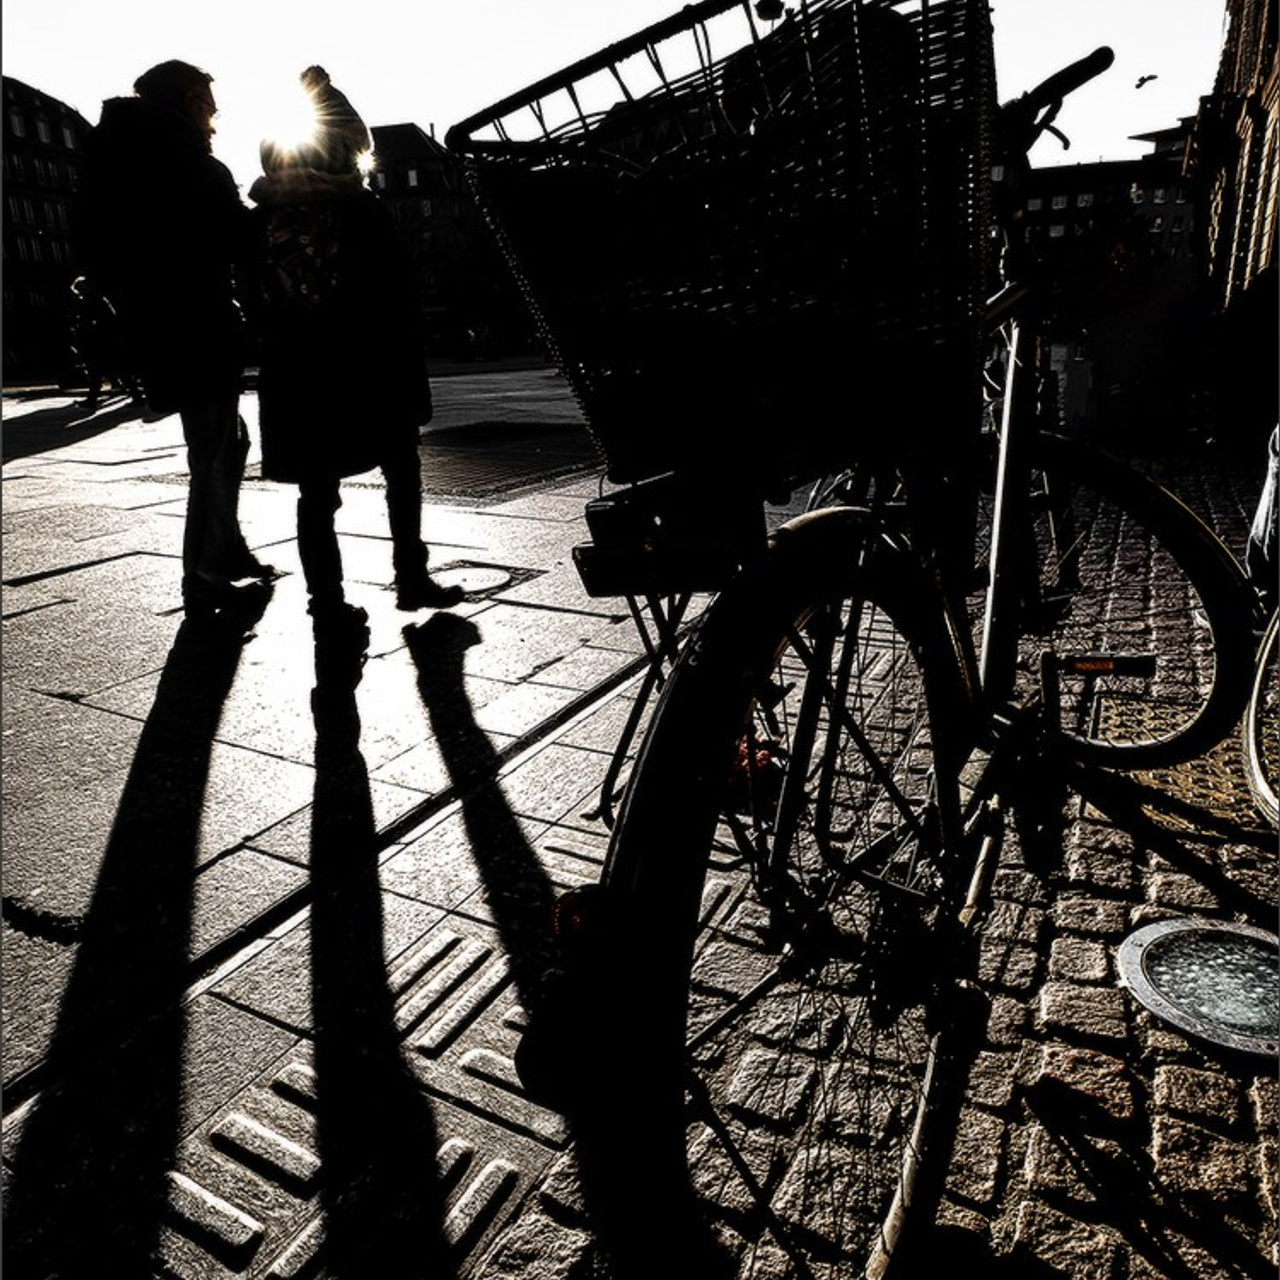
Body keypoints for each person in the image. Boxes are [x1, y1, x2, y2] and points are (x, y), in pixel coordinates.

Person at [243, 67, 461, 636]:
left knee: (317, 495)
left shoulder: (258, 220)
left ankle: (326, 601)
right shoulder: (361, 212)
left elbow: (253, 302)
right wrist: (413, 385)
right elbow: (397, 304)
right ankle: (411, 577)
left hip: (298, 377)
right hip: (372, 371)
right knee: (402, 470)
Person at [74, 60, 272, 619]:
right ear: (186, 101)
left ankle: (226, 549)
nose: (214, 114)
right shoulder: (188, 164)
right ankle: (204, 576)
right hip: (197, 323)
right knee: (213, 449)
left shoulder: (114, 155)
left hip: (152, 325)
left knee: (226, 440)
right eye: (208, 103)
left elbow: (89, 243)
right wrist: (271, 199)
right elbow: (239, 239)